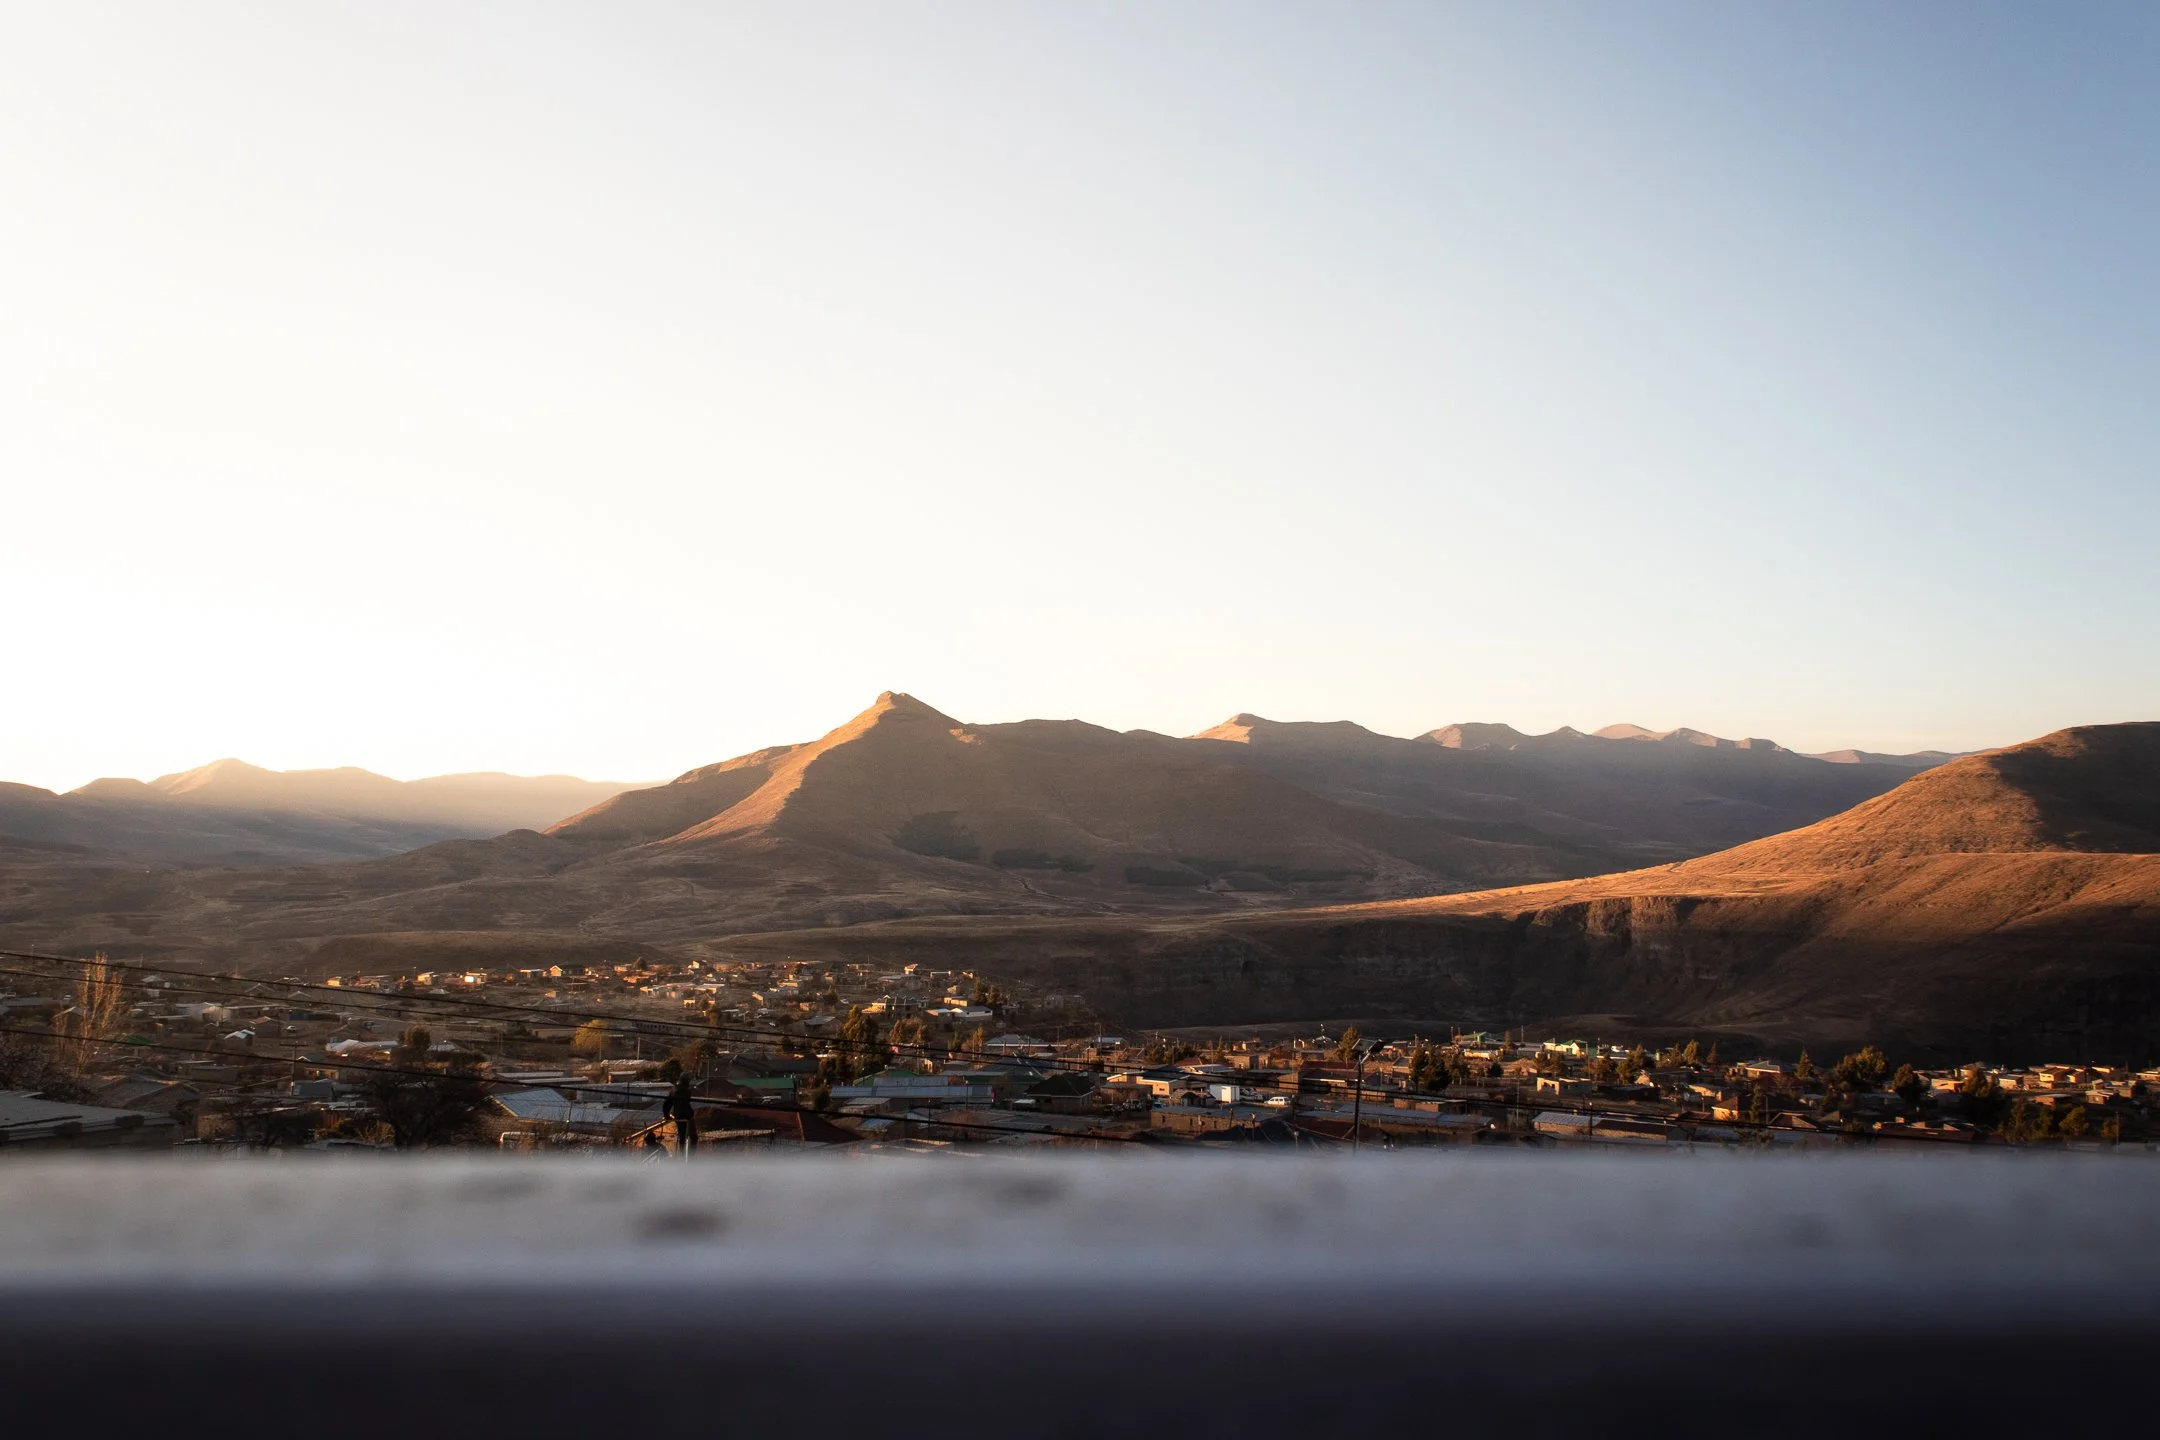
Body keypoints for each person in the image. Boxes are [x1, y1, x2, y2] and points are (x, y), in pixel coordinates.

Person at [666, 1075, 699, 1159]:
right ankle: (690, 1157)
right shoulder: (686, 1091)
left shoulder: (673, 1091)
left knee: (682, 1137)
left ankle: (682, 1155)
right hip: (687, 1117)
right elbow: (685, 1102)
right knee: (693, 1137)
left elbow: (666, 1105)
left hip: (677, 1116)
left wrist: (667, 1115)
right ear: (686, 1082)